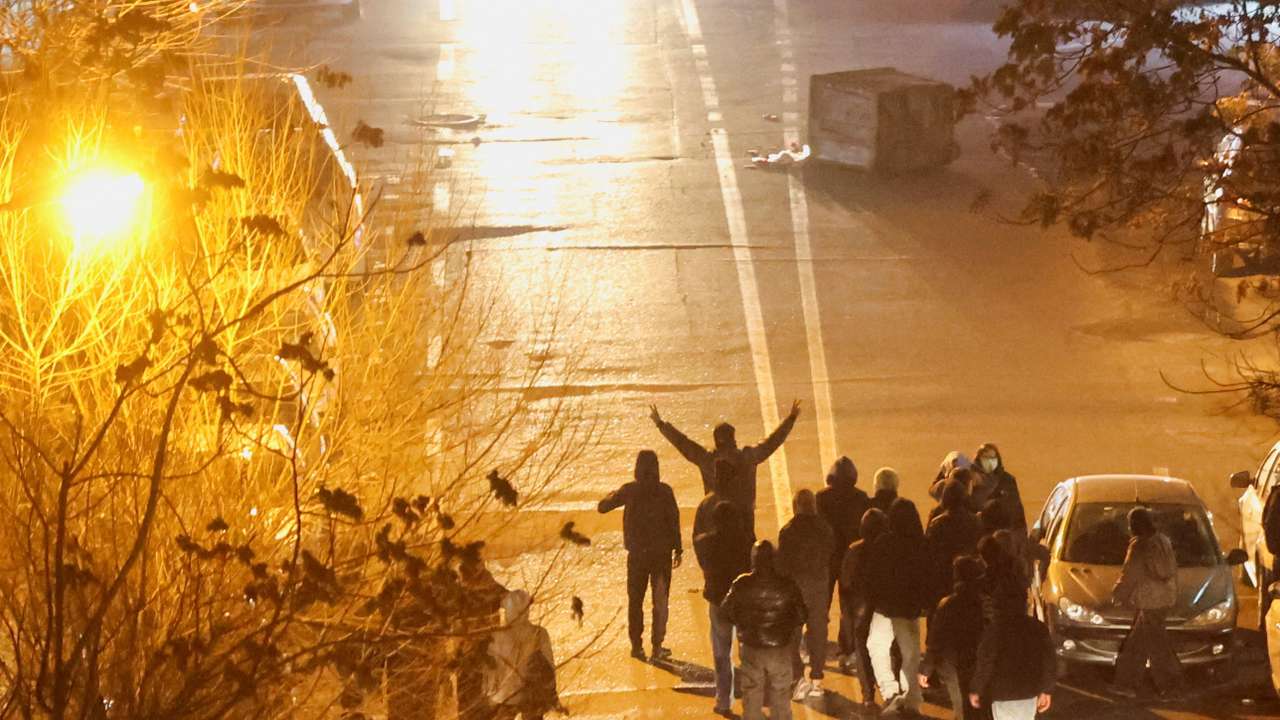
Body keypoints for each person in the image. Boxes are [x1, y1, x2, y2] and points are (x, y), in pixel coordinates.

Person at [650, 401, 801, 538]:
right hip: (744, 519)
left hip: (715, 520)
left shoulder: (707, 459)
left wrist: (660, 424)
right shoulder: (748, 457)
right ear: (733, 438)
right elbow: (772, 442)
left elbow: (682, 443)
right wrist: (791, 419)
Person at [597, 450, 682, 660]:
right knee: (660, 601)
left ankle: (637, 646)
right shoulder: (665, 491)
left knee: (635, 601)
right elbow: (674, 521)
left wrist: (611, 493)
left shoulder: (629, 490)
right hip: (661, 556)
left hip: (637, 555)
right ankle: (657, 645)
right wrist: (678, 548)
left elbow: (603, 507)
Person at [722, 540, 808, 720]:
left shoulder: (742, 584)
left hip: (752, 646)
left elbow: (726, 611)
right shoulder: (787, 585)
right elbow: (802, 615)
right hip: (779, 647)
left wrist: (743, 625)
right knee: (781, 693)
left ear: (753, 559)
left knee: (752, 693)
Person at [866, 498, 931, 716]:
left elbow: (873, 576)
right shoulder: (920, 544)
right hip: (908, 608)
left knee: (876, 645)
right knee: (910, 653)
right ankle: (911, 695)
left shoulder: (884, 542)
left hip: (885, 607)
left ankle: (889, 690)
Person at [1112, 507, 1182, 697]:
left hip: (1149, 601)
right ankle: (1127, 683)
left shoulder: (1139, 545)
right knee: (1139, 644)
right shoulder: (1163, 540)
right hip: (1165, 599)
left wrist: (1118, 594)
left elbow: (1130, 573)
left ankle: (1169, 685)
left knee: (1156, 647)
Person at [694, 500, 754, 717]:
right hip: (742, 602)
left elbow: (702, 558)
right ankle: (752, 699)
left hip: (718, 601)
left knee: (721, 654)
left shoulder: (705, 543)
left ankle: (723, 700)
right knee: (748, 652)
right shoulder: (746, 541)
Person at [777, 488, 835, 699]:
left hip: (796, 591)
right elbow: (830, 554)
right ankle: (817, 678)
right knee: (818, 633)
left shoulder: (788, 531)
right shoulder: (825, 529)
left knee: (793, 634)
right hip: (819, 589)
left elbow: (782, 565)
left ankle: (799, 677)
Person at [815, 456, 870, 668]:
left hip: (828, 558)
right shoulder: (861, 497)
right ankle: (846, 649)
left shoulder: (821, 497)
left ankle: (817, 646)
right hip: (851, 558)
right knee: (848, 606)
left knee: (822, 605)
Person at [919, 556, 987, 720]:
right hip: (980, 661)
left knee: (961, 705)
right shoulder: (984, 602)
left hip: (954, 663)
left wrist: (926, 668)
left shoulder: (948, 604)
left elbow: (936, 640)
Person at [969, 593, 1054, 720]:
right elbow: (1049, 662)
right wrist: (1047, 690)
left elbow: (986, 663)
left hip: (1003, 695)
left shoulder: (995, 629)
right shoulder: (1038, 628)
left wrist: (976, 689)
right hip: (1029, 693)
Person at [840, 507, 890, 712]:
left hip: (861, 609)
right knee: (888, 650)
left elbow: (845, 582)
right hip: (885, 608)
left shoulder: (855, 550)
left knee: (862, 651)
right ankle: (891, 692)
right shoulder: (889, 549)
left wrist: (847, 612)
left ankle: (868, 695)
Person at [486, 590, 559, 720]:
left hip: (504, 696)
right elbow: (549, 667)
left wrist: (491, 695)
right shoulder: (539, 634)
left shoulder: (496, 636)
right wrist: (552, 696)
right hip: (531, 697)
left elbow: (491, 670)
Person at [457, 555, 509, 720]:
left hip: (470, 650)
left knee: (468, 697)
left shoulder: (459, 592)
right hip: (486, 650)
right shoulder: (493, 587)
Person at [926, 479, 982, 609]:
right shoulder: (975, 522)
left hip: (943, 578)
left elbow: (929, 554)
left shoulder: (937, 524)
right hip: (969, 577)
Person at [973, 444, 1025, 530]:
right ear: (979, 459)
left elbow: (1017, 510)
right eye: (985, 458)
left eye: (993, 458)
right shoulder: (972, 480)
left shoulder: (1007, 480)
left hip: (1003, 531)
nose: (989, 461)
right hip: (979, 531)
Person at [694, 459, 737, 541]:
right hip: (729, 549)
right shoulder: (735, 501)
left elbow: (696, 536)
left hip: (710, 550)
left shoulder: (705, 502)